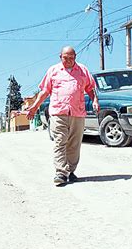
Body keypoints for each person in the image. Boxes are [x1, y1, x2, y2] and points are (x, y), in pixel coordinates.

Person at [26, 46, 99, 186]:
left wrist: (95, 100)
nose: (69, 61)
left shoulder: (83, 70)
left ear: (75, 57)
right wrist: (34, 106)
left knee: (74, 144)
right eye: (66, 58)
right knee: (60, 141)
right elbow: (45, 91)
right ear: (60, 57)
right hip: (58, 112)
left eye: (71, 58)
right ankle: (60, 172)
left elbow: (90, 88)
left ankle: (70, 171)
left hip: (77, 112)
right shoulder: (53, 71)